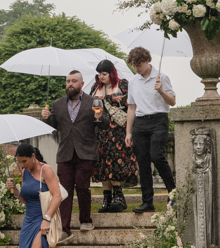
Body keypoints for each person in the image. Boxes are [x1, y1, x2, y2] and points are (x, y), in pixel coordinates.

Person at [42, 70, 108, 234]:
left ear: (81, 83)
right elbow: (52, 127)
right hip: (65, 154)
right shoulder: (57, 105)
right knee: (63, 192)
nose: (70, 84)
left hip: (85, 153)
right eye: (68, 81)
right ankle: (64, 228)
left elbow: (105, 123)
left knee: (83, 188)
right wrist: (45, 118)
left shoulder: (94, 101)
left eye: (73, 81)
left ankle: (85, 220)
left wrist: (99, 117)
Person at [124, 47, 176, 213]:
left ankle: (174, 193)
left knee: (157, 156)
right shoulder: (133, 81)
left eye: (138, 64)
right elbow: (131, 107)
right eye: (133, 65)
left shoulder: (162, 77)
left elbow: (173, 101)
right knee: (143, 162)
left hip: (158, 119)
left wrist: (161, 91)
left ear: (147, 61)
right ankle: (147, 201)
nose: (136, 68)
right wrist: (128, 132)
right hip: (140, 122)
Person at [90, 59, 138, 213]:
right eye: (99, 74)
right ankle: (107, 198)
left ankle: (118, 196)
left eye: (104, 73)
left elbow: (132, 105)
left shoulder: (123, 85)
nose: (101, 77)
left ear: (111, 73)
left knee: (115, 163)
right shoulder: (95, 89)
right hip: (100, 131)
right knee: (102, 164)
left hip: (118, 130)